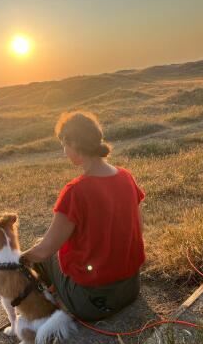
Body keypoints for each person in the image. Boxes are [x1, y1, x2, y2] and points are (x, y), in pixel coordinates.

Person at [21, 110, 145, 321]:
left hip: (93, 304)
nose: (64, 152)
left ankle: (46, 300)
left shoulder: (75, 192)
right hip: (131, 288)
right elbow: (138, 229)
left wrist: (17, 259)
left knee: (41, 251)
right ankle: (55, 290)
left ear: (75, 144)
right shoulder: (126, 177)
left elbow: (44, 251)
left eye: (64, 145)